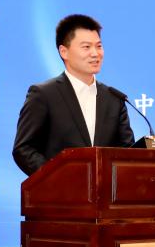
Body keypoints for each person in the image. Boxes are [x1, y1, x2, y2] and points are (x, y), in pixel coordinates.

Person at [12, 14, 134, 176]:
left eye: (99, 46)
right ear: (64, 51)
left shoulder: (114, 98)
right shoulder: (43, 94)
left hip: (106, 191)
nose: (95, 53)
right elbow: (23, 148)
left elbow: (128, 152)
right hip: (60, 190)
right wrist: (56, 177)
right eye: (86, 47)